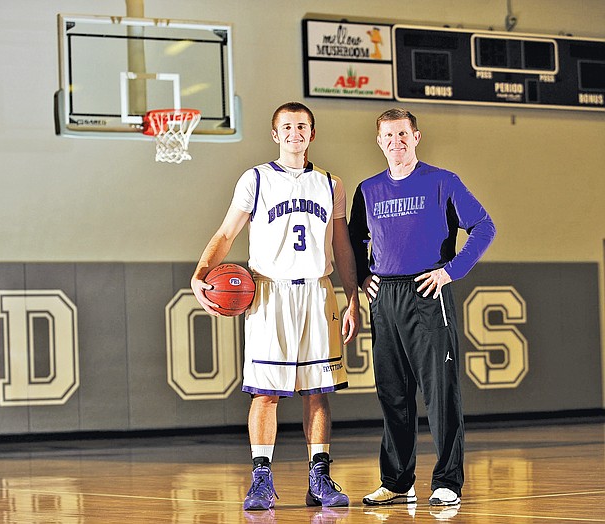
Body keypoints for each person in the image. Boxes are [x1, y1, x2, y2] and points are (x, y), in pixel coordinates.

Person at [191, 102, 360, 511]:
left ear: (312, 134)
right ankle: (261, 479)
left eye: (302, 126)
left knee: (317, 392)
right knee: (265, 393)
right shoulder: (256, 179)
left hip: (318, 292)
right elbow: (227, 232)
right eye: (287, 126)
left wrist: (353, 297)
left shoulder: (331, 183)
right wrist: (201, 270)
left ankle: (319, 476)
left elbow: (341, 246)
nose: (294, 132)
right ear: (275, 134)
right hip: (269, 293)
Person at [348, 108, 496, 507]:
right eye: (387, 136)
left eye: (402, 134)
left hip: (429, 291)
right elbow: (352, 241)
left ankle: (448, 480)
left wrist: (451, 271)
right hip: (385, 298)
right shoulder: (367, 190)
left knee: (440, 393)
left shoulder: (443, 181)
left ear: (416, 137)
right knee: (393, 394)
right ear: (379, 141)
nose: (395, 142)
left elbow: (484, 227)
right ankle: (397, 482)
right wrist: (363, 276)